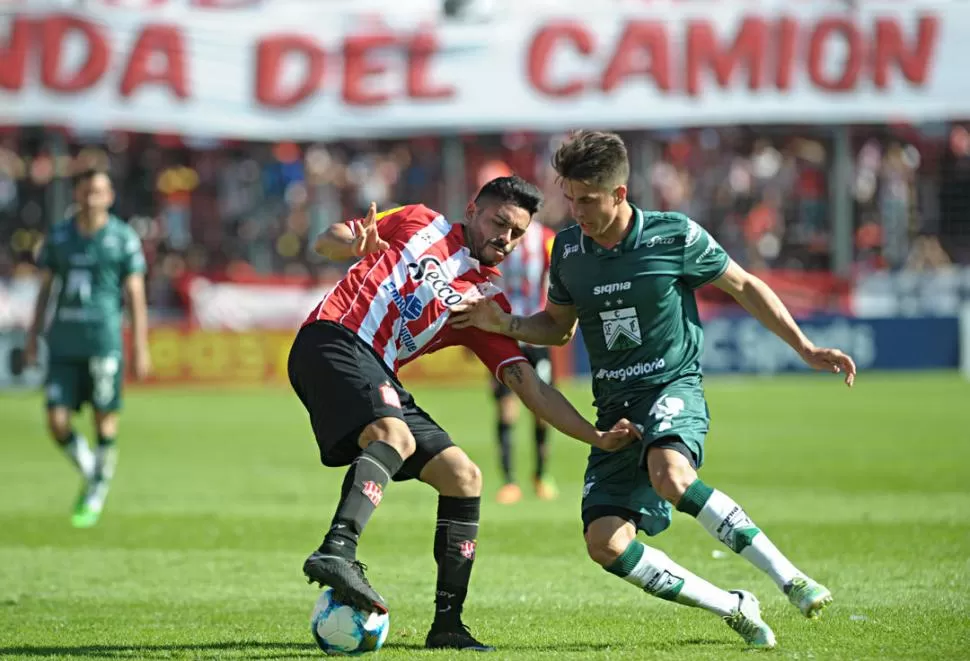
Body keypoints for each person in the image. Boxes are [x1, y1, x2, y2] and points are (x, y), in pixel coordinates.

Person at [449, 133, 858, 648]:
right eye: (570, 198)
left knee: (670, 474)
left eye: (588, 200)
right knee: (605, 544)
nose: (576, 211)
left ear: (619, 194)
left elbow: (744, 285)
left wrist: (804, 347)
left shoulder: (674, 236)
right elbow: (557, 328)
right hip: (614, 407)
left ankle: (790, 579)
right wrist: (503, 323)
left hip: (671, 385)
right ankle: (732, 606)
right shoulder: (570, 250)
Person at [288, 176, 639, 652]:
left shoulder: (482, 305)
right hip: (333, 337)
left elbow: (529, 386)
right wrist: (353, 244)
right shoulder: (418, 220)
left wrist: (593, 436)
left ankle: (448, 627)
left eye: (517, 233)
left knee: (464, 476)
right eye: (499, 223)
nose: (506, 239)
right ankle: (338, 549)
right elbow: (325, 239)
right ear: (473, 209)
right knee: (394, 433)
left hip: (379, 369)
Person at [25, 167, 151, 529]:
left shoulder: (122, 238)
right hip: (64, 341)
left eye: (99, 191)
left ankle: (95, 491)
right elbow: (45, 290)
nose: (92, 197)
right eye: (86, 191)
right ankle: (95, 472)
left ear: (109, 196)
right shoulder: (60, 236)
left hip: (103, 341)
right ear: (76, 195)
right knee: (56, 420)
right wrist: (33, 337)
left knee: (103, 416)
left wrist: (140, 345)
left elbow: (136, 294)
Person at [489, 219, 559, 504]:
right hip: (505, 334)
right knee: (506, 410)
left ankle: (541, 475)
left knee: (542, 411)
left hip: (537, 335)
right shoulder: (498, 239)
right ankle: (509, 481)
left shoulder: (547, 239)